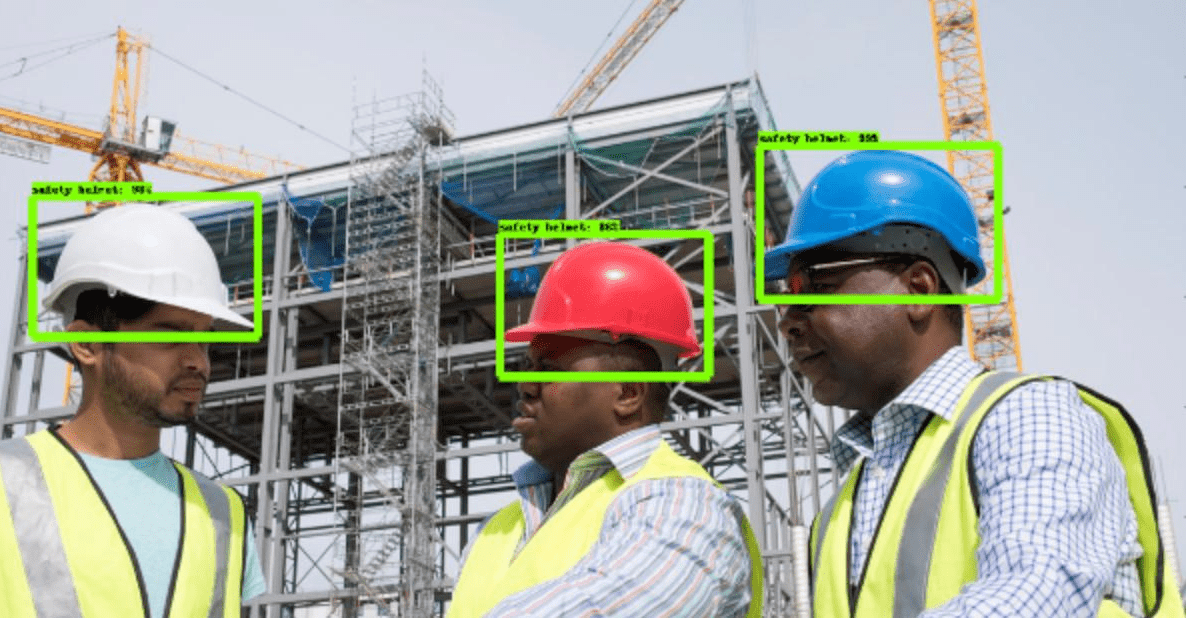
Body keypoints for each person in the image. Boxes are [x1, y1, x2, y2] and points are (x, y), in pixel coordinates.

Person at [764, 150, 1184, 617]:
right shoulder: (838, 512)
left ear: (919, 288)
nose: (787, 323)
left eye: (811, 286)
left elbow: (1034, 598)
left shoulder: (1028, 419)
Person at [0, 204, 266, 618]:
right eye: (170, 336)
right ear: (86, 345)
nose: (199, 361)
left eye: (204, 339)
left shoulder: (224, 512)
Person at [448, 241, 763, 618]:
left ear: (628, 393)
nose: (525, 385)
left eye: (547, 371)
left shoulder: (681, 507)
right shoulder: (494, 533)